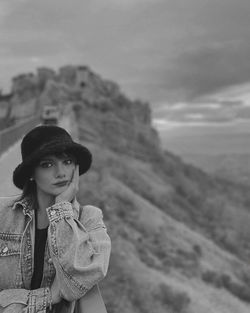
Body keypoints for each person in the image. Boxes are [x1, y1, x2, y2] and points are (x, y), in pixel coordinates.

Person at [0, 125, 111, 313]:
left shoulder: (90, 218)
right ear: (31, 174)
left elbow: (74, 286)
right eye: (47, 164)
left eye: (67, 162)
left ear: (76, 168)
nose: (61, 173)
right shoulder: (3, 213)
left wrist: (61, 207)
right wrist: (49, 296)